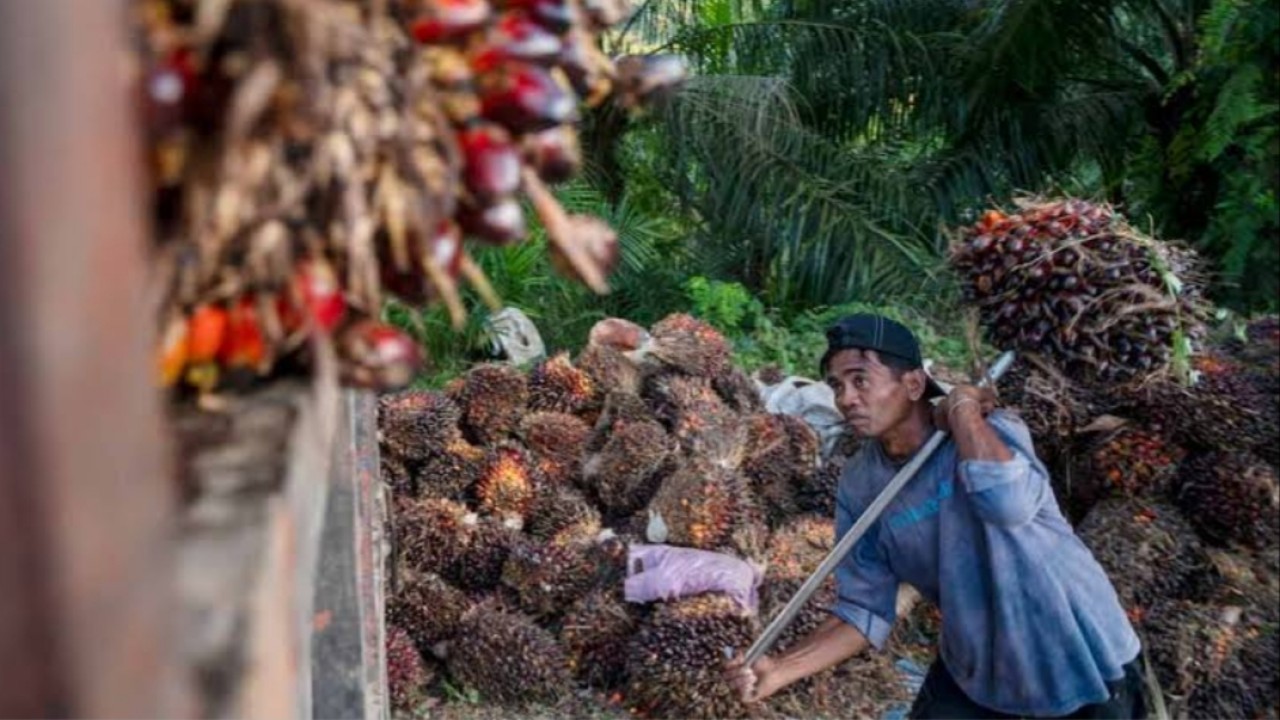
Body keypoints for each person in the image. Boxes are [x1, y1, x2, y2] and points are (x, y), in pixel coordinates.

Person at [724, 314, 1147, 719]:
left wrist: (962, 409)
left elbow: (1007, 505)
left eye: (860, 380)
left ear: (913, 384)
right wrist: (780, 669)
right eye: (837, 385)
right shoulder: (860, 484)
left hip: (1076, 650)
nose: (846, 398)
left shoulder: (992, 430)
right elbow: (864, 608)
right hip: (980, 662)